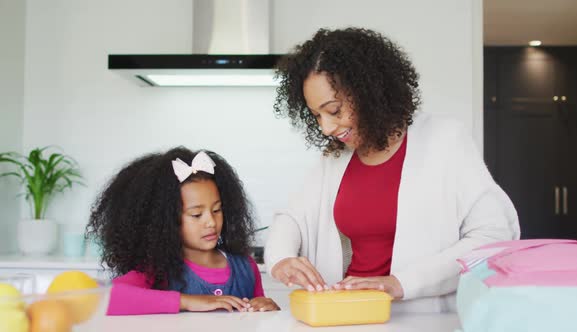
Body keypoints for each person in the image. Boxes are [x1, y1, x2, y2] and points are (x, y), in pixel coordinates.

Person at [264, 27, 520, 312]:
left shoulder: (445, 140)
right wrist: (282, 260)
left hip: (422, 319)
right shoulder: (336, 159)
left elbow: (491, 237)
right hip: (348, 316)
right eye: (317, 116)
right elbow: (291, 219)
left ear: (367, 90)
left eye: (334, 110)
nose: (326, 128)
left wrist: (399, 283)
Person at [87, 147, 279, 314]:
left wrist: (266, 307)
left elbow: (259, 319)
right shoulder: (158, 270)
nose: (211, 222)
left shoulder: (245, 266)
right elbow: (109, 298)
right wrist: (187, 301)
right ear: (166, 221)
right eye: (196, 215)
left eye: (216, 210)